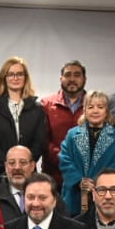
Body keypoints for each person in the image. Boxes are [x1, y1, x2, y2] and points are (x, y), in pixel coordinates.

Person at [58, 90, 115, 217]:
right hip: (75, 194)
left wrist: (97, 182)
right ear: (84, 110)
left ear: (106, 111)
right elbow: (64, 159)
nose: (95, 111)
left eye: (100, 107)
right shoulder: (72, 134)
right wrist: (79, 180)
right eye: (90, 107)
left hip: (104, 193)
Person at [0, 57, 48, 176]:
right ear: (4, 78)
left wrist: (24, 165)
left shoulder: (37, 108)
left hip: (27, 174)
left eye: (19, 74)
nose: (15, 78)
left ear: (25, 78)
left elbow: (39, 143)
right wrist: (9, 165)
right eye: (11, 74)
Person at [42, 60, 88, 190]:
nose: (72, 79)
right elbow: (43, 140)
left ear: (84, 79)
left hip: (86, 177)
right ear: (61, 78)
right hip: (54, 177)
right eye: (68, 75)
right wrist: (65, 159)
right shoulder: (46, 104)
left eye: (77, 75)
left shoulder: (94, 105)